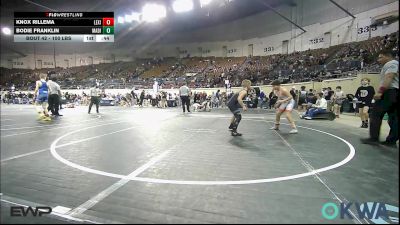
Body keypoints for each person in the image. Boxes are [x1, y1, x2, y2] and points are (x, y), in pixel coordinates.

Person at [362, 49, 398, 147]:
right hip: (395, 93)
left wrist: (380, 92)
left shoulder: (391, 63)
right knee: (394, 118)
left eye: (381, 57)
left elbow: (389, 77)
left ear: (388, 56)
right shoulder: (395, 64)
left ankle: (374, 138)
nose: (379, 59)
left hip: (389, 92)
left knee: (376, 114)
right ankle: (391, 141)